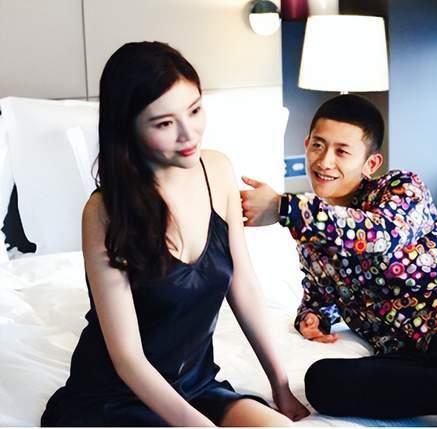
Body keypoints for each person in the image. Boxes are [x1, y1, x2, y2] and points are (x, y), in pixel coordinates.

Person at [40, 41, 309, 427]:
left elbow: (243, 286)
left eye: (195, 110)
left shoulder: (217, 171)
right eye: (165, 123)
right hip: (117, 397)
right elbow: (127, 358)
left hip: (195, 386)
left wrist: (280, 385)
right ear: (128, 128)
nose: (189, 135)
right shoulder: (103, 213)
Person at [240, 94, 437, 426]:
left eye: (342, 152)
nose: (325, 161)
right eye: (318, 146)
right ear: (306, 145)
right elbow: (319, 296)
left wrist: (285, 207)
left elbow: (379, 235)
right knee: (323, 382)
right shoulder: (312, 238)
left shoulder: (402, 188)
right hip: (414, 354)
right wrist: (312, 317)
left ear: (370, 164)